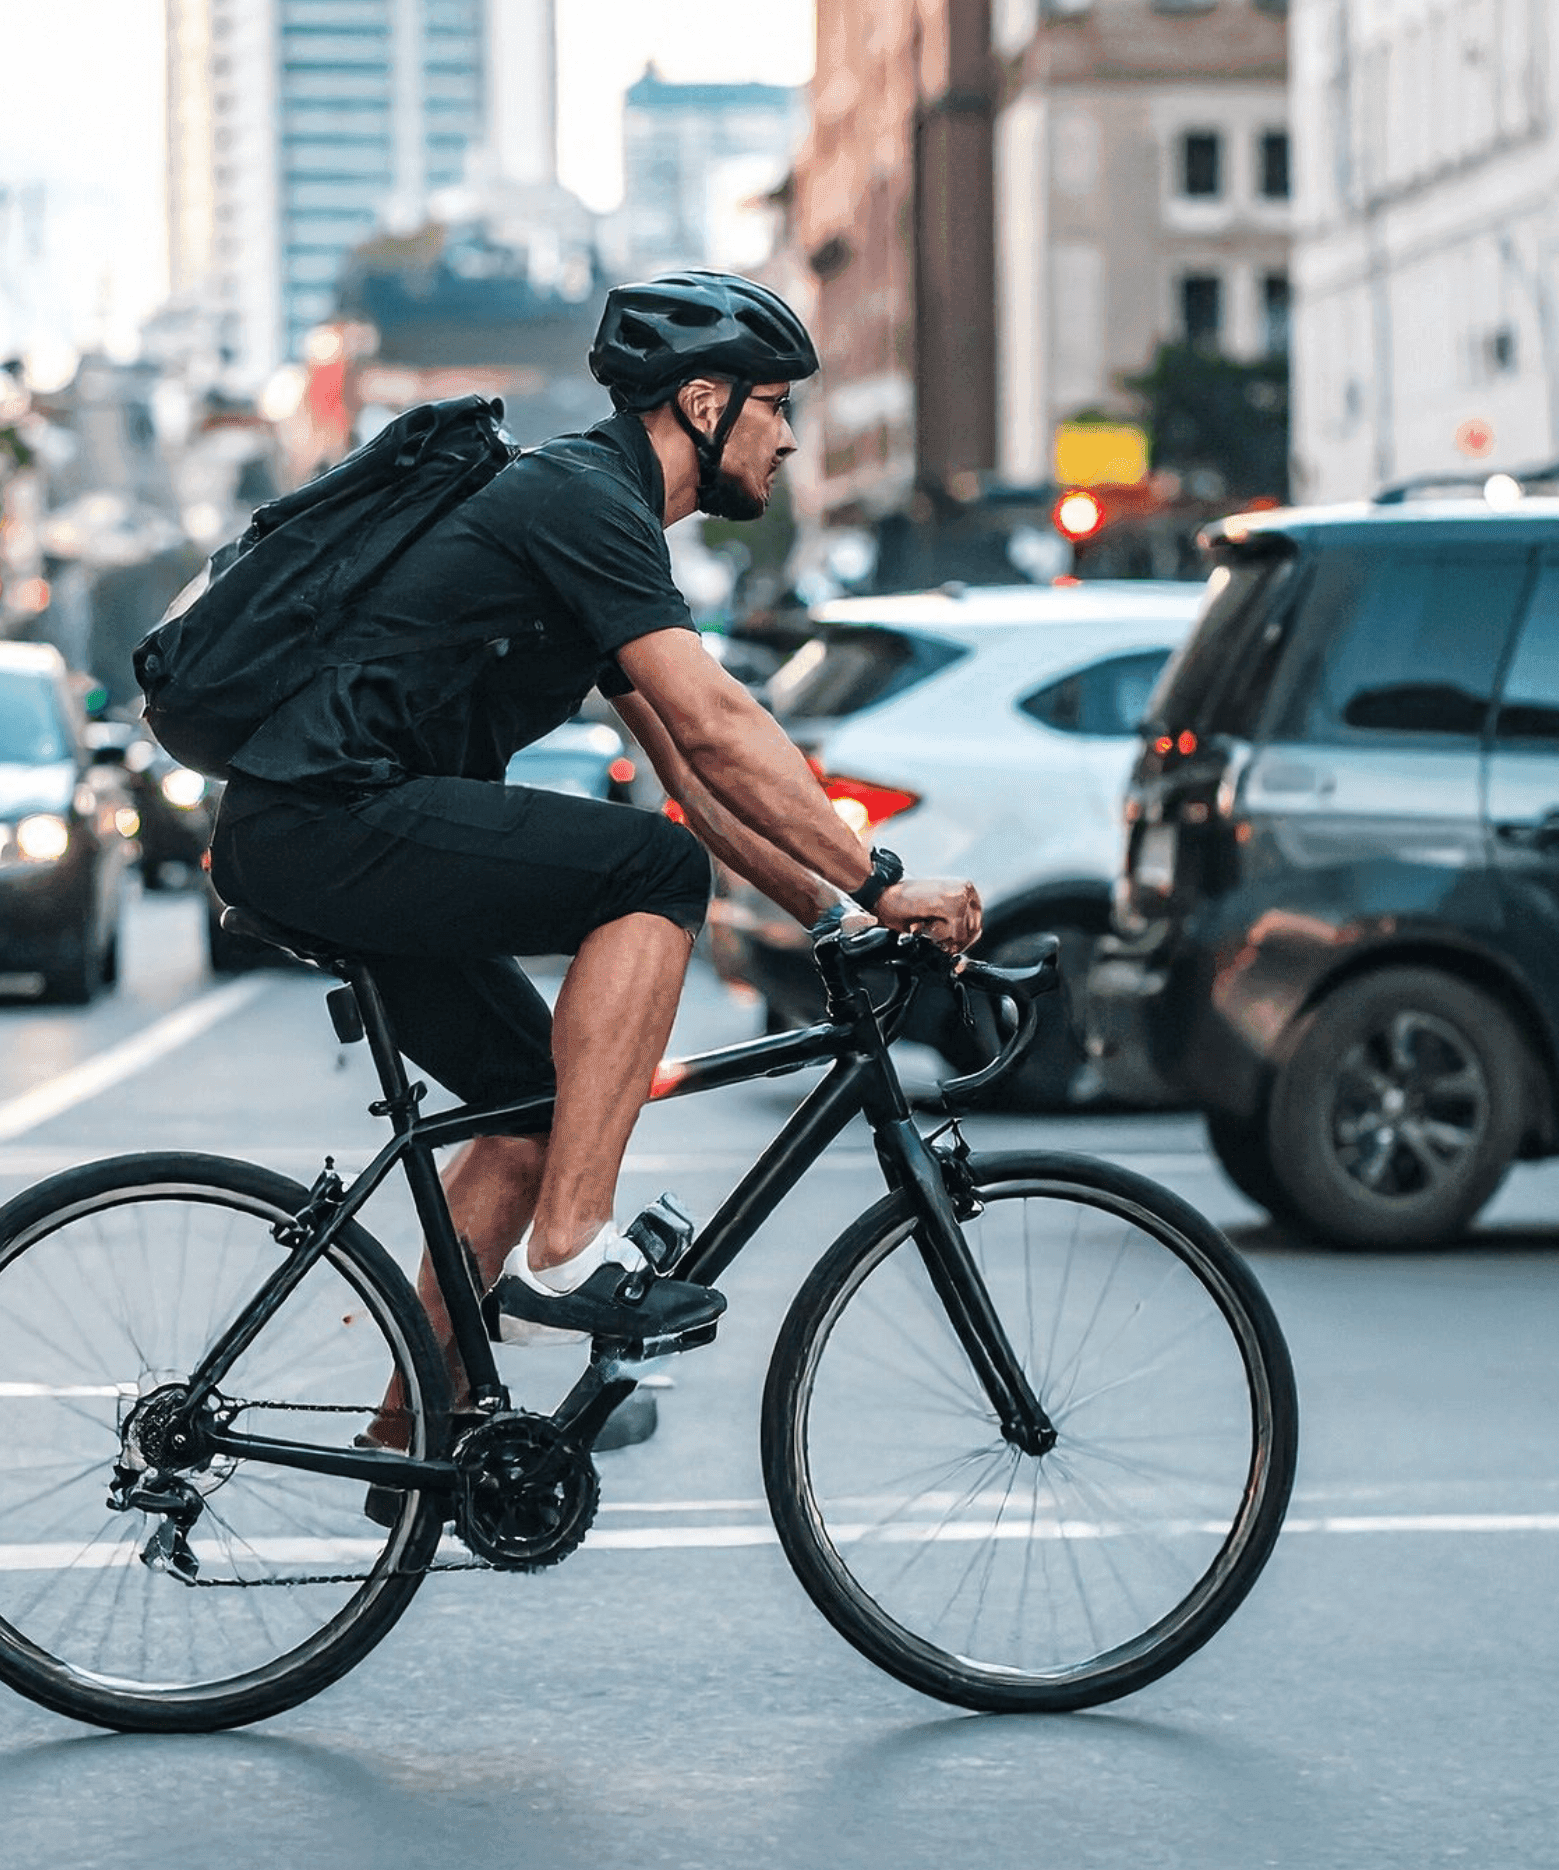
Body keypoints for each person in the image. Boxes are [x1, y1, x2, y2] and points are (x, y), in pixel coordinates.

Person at [206, 270, 983, 1447]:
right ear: (706, 404)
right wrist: (882, 880)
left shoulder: (588, 520)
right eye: (778, 406)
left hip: (323, 828)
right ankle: (569, 1250)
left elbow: (694, 781)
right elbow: (719, 722)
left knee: (529, 1109)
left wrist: (831, 917)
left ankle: (421, 1426)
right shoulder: (580, 498)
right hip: (330, 816)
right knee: (647, 875)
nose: (788, 440)